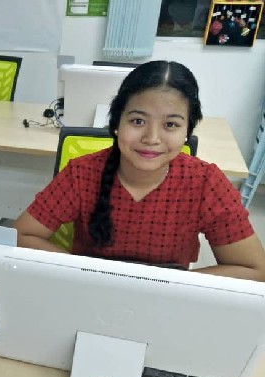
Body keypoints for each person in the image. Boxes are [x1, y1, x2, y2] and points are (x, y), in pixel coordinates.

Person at [14, 60, 265, 281]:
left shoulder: (206, 183)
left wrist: (168, 284)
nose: (152, 138)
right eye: (138, 121)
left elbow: (255, 270)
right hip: (91, 292)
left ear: (187, 131)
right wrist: (84, 273)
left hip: (166, 301)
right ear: (116, 124)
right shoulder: (82, 173)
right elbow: (20, 235)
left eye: (171, 124)